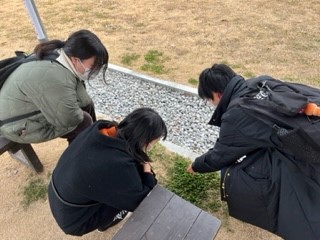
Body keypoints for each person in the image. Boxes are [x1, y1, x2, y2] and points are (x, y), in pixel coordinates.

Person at [187, 63, 320, 240]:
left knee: (238, 173)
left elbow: (219, 156)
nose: (211, 104)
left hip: (310, 155)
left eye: (209, 100)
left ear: (217, 95)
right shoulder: (261, 81)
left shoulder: (236, 114)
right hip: (311, 134)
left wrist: (196, 166)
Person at [48, 107, 167, 236]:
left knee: (117, 188)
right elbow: (141, 199)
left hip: (58, 193)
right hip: (74, 220)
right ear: (147, 142)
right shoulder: (119, 165)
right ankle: (105, 223)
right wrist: (147, 170)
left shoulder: (101, 127)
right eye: (153, 143)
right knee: (123, 201)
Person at [0, 29, 108, 144]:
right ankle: (81, 157)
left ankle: (95, 142)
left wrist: (86, 106)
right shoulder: (56, 77)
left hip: (24, 109)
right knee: (84, 122)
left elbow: (83, 100)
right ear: (76, 59)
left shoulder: (60, 56)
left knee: (87, 106)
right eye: (93, 65)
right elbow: (68, 119)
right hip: (16, 125)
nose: (95, 70)